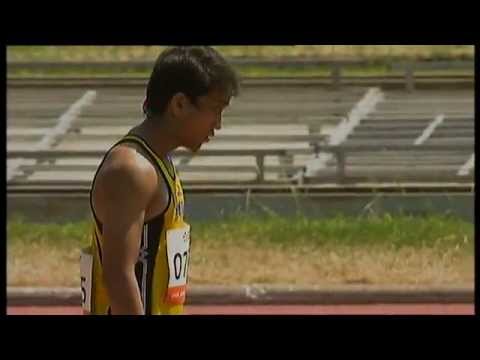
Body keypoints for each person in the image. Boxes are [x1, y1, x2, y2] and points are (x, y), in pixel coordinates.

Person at [80, 46, 239, 315]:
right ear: (179, 104)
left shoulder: (157, 162)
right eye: (215, 109)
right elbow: (118, 276)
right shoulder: (131, 170)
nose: (218, 124)